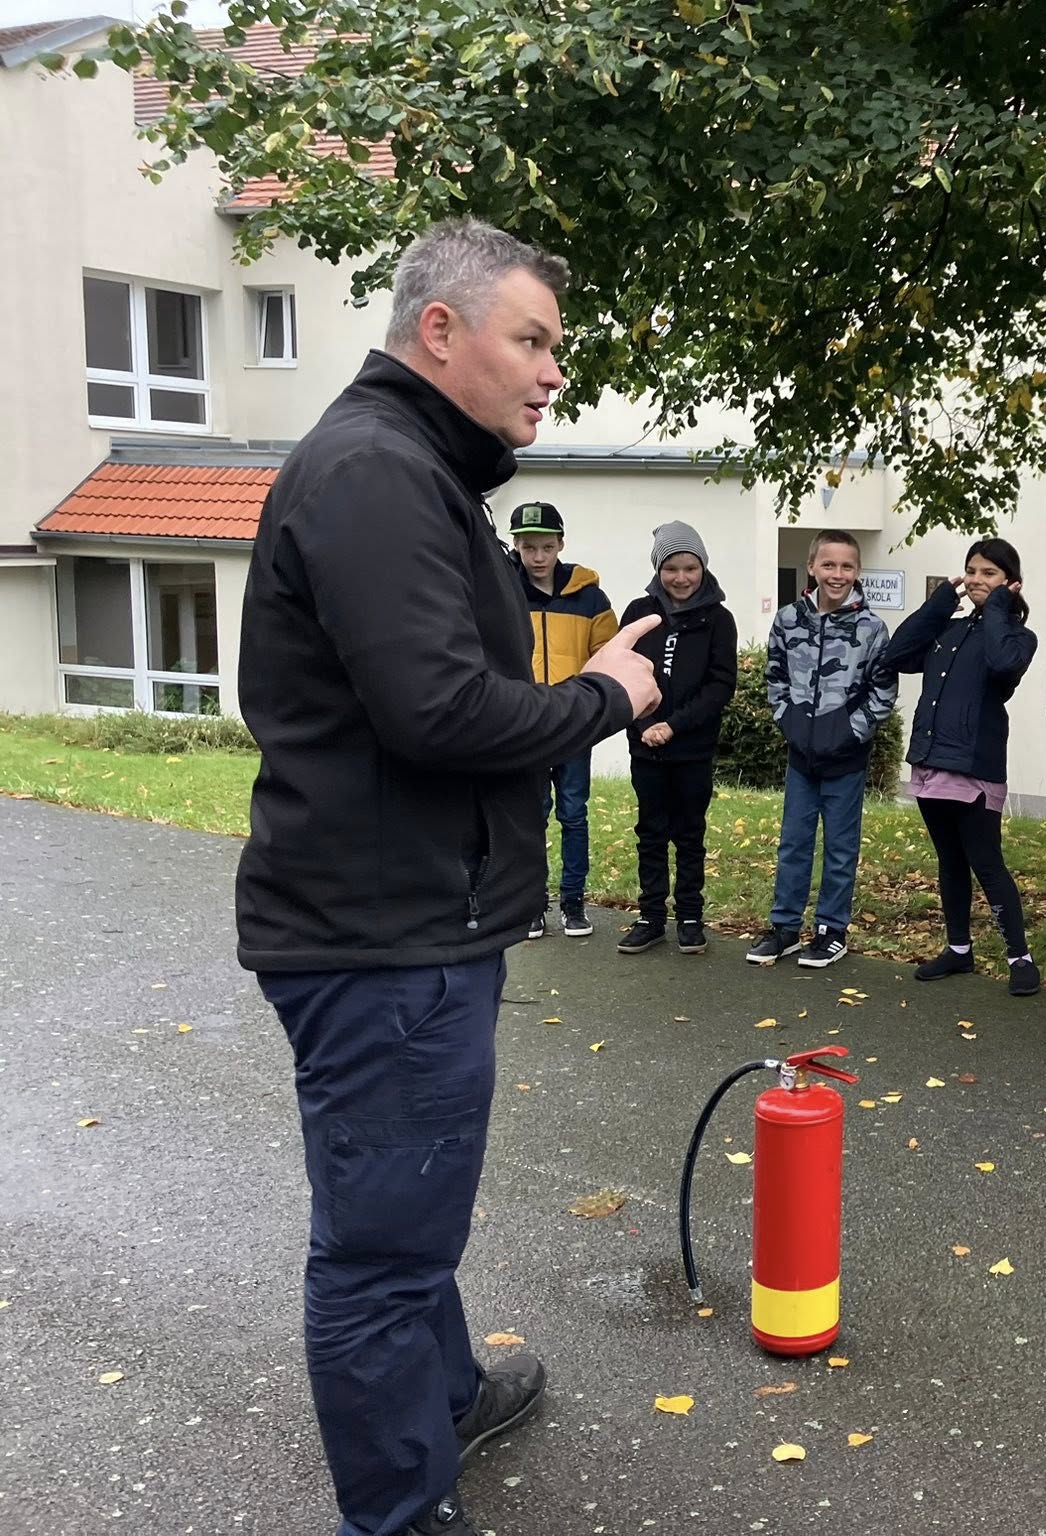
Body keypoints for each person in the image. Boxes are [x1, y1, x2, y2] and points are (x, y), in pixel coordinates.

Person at [235, 220, 660, 1536]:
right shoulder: (375, 472)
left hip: (410, 924)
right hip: (382, 941)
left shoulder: (411, 465)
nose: (553, 373)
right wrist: (604, 694)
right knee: (380, 1250)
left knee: (413, 1206)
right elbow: (439, 713)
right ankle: (398, 1510)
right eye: (531, 340)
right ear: (440, 330)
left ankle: (447, 1397)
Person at [886, 538, 1043, 995]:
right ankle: (959, 948)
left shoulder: (1017, 637)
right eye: (971, 571)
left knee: (986, 862)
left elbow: (1002, 664)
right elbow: (897, 655)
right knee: (950, 860)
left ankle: (1019, 957)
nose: (976, 579)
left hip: (976, 766)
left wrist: (998, 607)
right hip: (932, 758)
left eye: (989, 573)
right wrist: (939, 604)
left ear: (1011, 583)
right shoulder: (949, 630)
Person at [747, 530, 899, 969]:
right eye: (829, 564)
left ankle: (832, 930)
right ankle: (784, 927)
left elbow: (883, 691)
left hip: (846, 758)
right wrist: (789, 722)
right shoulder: (788, 620)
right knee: (793, 842)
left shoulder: (872, 628)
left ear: (858, 571)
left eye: (847, 566)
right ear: (812, 566)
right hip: (802, 754)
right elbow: (775, 677)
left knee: (840, 847)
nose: (837, 574)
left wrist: (850, 732)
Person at [616, 521, 739, 957]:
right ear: (658, 570)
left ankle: (689, 916)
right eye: (671, 568)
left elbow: (720, 685)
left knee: (689, 834)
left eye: (690, 567)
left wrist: (674, 725)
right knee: (650, 833)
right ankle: (650, 917)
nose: (681, 578)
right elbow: (621, 673)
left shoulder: (719, 620)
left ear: (703, 567)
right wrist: (645, 725)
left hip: (691, 749)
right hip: (645, 745)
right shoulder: (639, 612)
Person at [507, 499, 619, 940]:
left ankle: (573, 903)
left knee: (574, 814)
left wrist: (589, 706)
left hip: (571, 724)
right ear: (516, 547)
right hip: (525, 723)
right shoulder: (504, 592)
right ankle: (532, 903)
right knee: (530, 816)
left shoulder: (590, 598)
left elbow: (606, 656)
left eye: (547, 547)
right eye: (528, 547)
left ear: (561, 545)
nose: (538, 557)